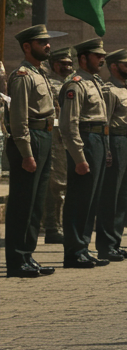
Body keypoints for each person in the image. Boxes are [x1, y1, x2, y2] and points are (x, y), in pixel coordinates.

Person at [5, 25, 65, 277]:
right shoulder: (22, 76)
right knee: (22, 203)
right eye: (42, 42)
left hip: (45, 135)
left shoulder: (39, 74)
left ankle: (28, 255)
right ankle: (17, 261)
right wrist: (27, 153)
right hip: (29, 139)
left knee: (36, 203)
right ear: (27, 47)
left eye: (48, 42)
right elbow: (18, 120)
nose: (48, 45)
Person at [58, 39, 110, 268]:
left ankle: (83, 247)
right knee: (79, 198)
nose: (102, 59)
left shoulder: (94, 82)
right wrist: (79, 157)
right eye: (97, 56)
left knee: (91, 199)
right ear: (83, 58)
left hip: (97, 139)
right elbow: (69, 125)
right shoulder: (76, 84)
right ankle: (73, 251)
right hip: (85, 140)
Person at [95, 49, 127, 261]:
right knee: (110, 196)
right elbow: (104, 123)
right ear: (114, 67)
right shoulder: (109, 91)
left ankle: (115, 241)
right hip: (115, 141)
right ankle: (106, 245)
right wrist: (106, 150)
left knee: (124, 196)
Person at [41, 46, 74, 247]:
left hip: (72, 139)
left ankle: (62, 224)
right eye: (64, 64)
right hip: (57, 138)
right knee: (57, 184)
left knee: (67, 183)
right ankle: (53, 227)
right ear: (55, 65)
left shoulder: (70, 84)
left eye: (70, 64)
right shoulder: (50, 85)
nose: (68, 67)